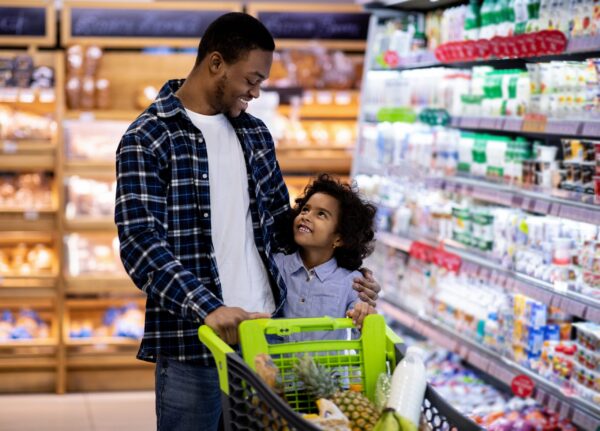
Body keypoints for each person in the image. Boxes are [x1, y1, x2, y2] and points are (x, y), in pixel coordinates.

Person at [114, 12, 380, 431]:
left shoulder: (255, 134)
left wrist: (347, 272)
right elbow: (141, 245)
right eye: (251, 80)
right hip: (193, 345)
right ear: (216, 63)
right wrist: (209, 309)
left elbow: (281, 227)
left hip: (269, 339)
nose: (256, 92)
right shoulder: (148, 137)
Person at [275, 174, 377, 341]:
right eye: (305, 209)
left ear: (339, 238)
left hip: (327, 367)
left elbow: (363, 318)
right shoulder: (277, 265)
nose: (306, 216)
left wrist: (364, 312)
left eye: (321, 214)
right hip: (274, 366)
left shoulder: (352, 281)